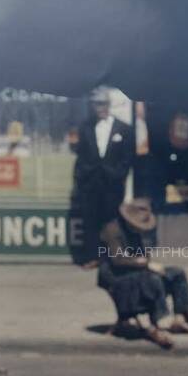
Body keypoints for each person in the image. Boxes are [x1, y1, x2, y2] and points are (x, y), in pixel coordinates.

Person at [98, 199, 188, 349]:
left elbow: (143, 254)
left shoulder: (135, 232)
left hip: (137, 270)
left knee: (177, 273)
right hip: (115, 274)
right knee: (152, 279)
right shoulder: (112, 230)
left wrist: (146, 263)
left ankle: (180, 318)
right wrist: (146, 264)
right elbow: (118, 260)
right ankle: (160, 320)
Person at [72, 86, 135, 267]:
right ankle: (93, 257)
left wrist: (119, 174)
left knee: (112, 219)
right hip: (91, 183)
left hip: (113, 184)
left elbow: (128, 158)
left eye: (102, 104)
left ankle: (114, 256)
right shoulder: (85, 128)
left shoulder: (124, 129)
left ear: (108, 105)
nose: (99, 108)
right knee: (91, 219)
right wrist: (83, 178)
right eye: (95, 104)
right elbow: (81, 156)